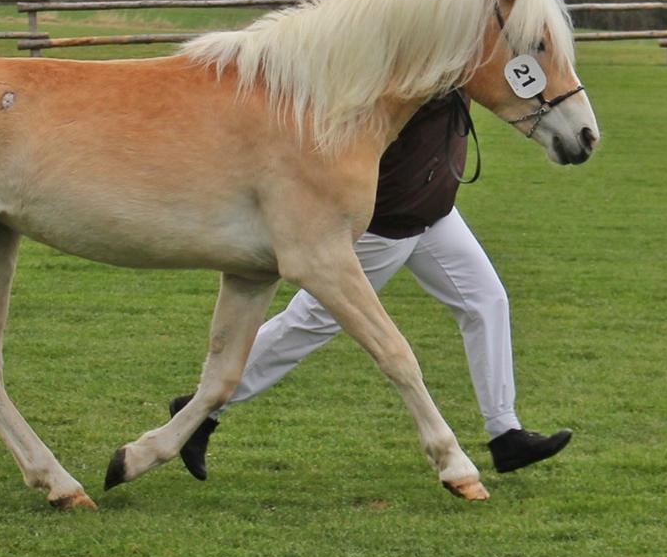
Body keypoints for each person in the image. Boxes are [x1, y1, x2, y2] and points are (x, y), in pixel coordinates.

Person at [170, 88, 572, 480]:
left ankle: (506, 432)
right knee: (310, 322)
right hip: (387, 222)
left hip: (435, 212)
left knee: (487, 301)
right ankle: (201, 411)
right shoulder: (415, 70)